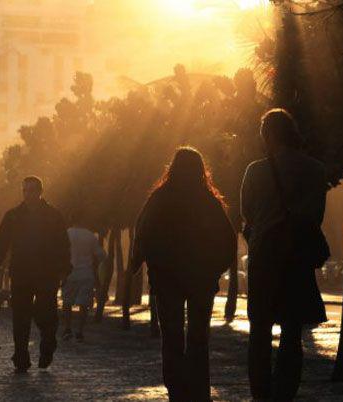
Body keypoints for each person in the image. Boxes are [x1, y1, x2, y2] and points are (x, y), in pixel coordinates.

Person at [131, 147, 236, 401]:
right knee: (199, 338)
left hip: (166, 280)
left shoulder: (159, 198)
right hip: (201, 280)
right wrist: (215, 269)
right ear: (201, 170)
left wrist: (137, 264)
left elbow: (142, 232)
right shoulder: (209, 201)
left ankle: (177, 391)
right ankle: (199, 392)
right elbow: (228, 240)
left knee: (172, 338)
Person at [241, 108, 328, 400]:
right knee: (292, 332)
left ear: (266, 136)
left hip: (264, 258)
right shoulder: (316, 169)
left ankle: (261, 395)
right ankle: (285, 394)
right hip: (297, 260)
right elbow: (316, 215)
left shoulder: (255, 170)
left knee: (260, 333)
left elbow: (247, 214)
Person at [0, 176, 71, 373]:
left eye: (32, 190)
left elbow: (63, 245)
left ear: (40, 191)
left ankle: (47, 346)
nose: (28, 194)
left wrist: (64, 269)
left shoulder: (53, 216)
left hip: (46, 274)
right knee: (20, 317)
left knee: (46, 314)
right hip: (21, 273)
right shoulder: (13, 216)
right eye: (25, 190)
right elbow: (0, 244)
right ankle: (21, 356)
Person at [61, 217, 106, 342]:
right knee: (83, 304)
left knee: (67, 302)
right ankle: (79, 331)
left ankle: (67, 328)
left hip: (69, 274)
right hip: (86, 274)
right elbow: (102, 255)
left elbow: (60, 252)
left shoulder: (66, 233)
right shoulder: (90, 236)